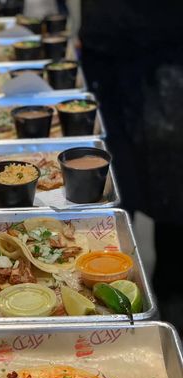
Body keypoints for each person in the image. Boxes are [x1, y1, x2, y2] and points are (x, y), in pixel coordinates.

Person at [79, 1, 183, 333]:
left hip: (169, 69)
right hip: (106, 72)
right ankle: (114, 318)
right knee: (111, 202)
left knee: (175, 207)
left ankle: (170, 313)